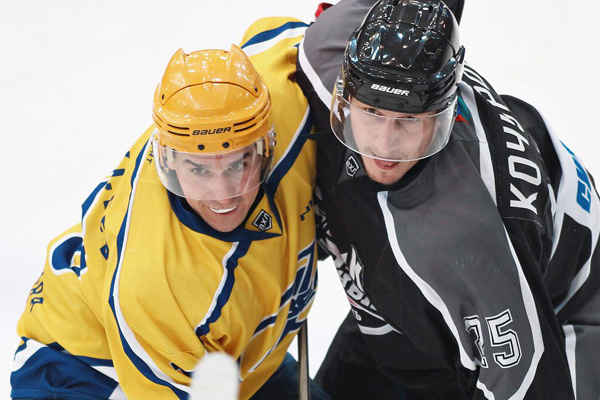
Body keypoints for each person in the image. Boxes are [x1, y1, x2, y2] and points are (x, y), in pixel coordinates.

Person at [295, 0, 600, 398]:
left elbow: (531, 382)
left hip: (566, 306)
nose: (384, 146)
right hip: (420, 296)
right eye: (371, 112)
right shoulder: (326, 49)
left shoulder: (466, 238)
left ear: (445, 112)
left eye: (409, 119)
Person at [10, 30, 328, 399]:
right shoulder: (158, 281)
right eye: (199, 170)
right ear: (169, 161)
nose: (222, 195)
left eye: (239, 164)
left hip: (224, 352)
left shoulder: (287, 102)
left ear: (266, 144)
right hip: (83, 371)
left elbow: (313, 31)